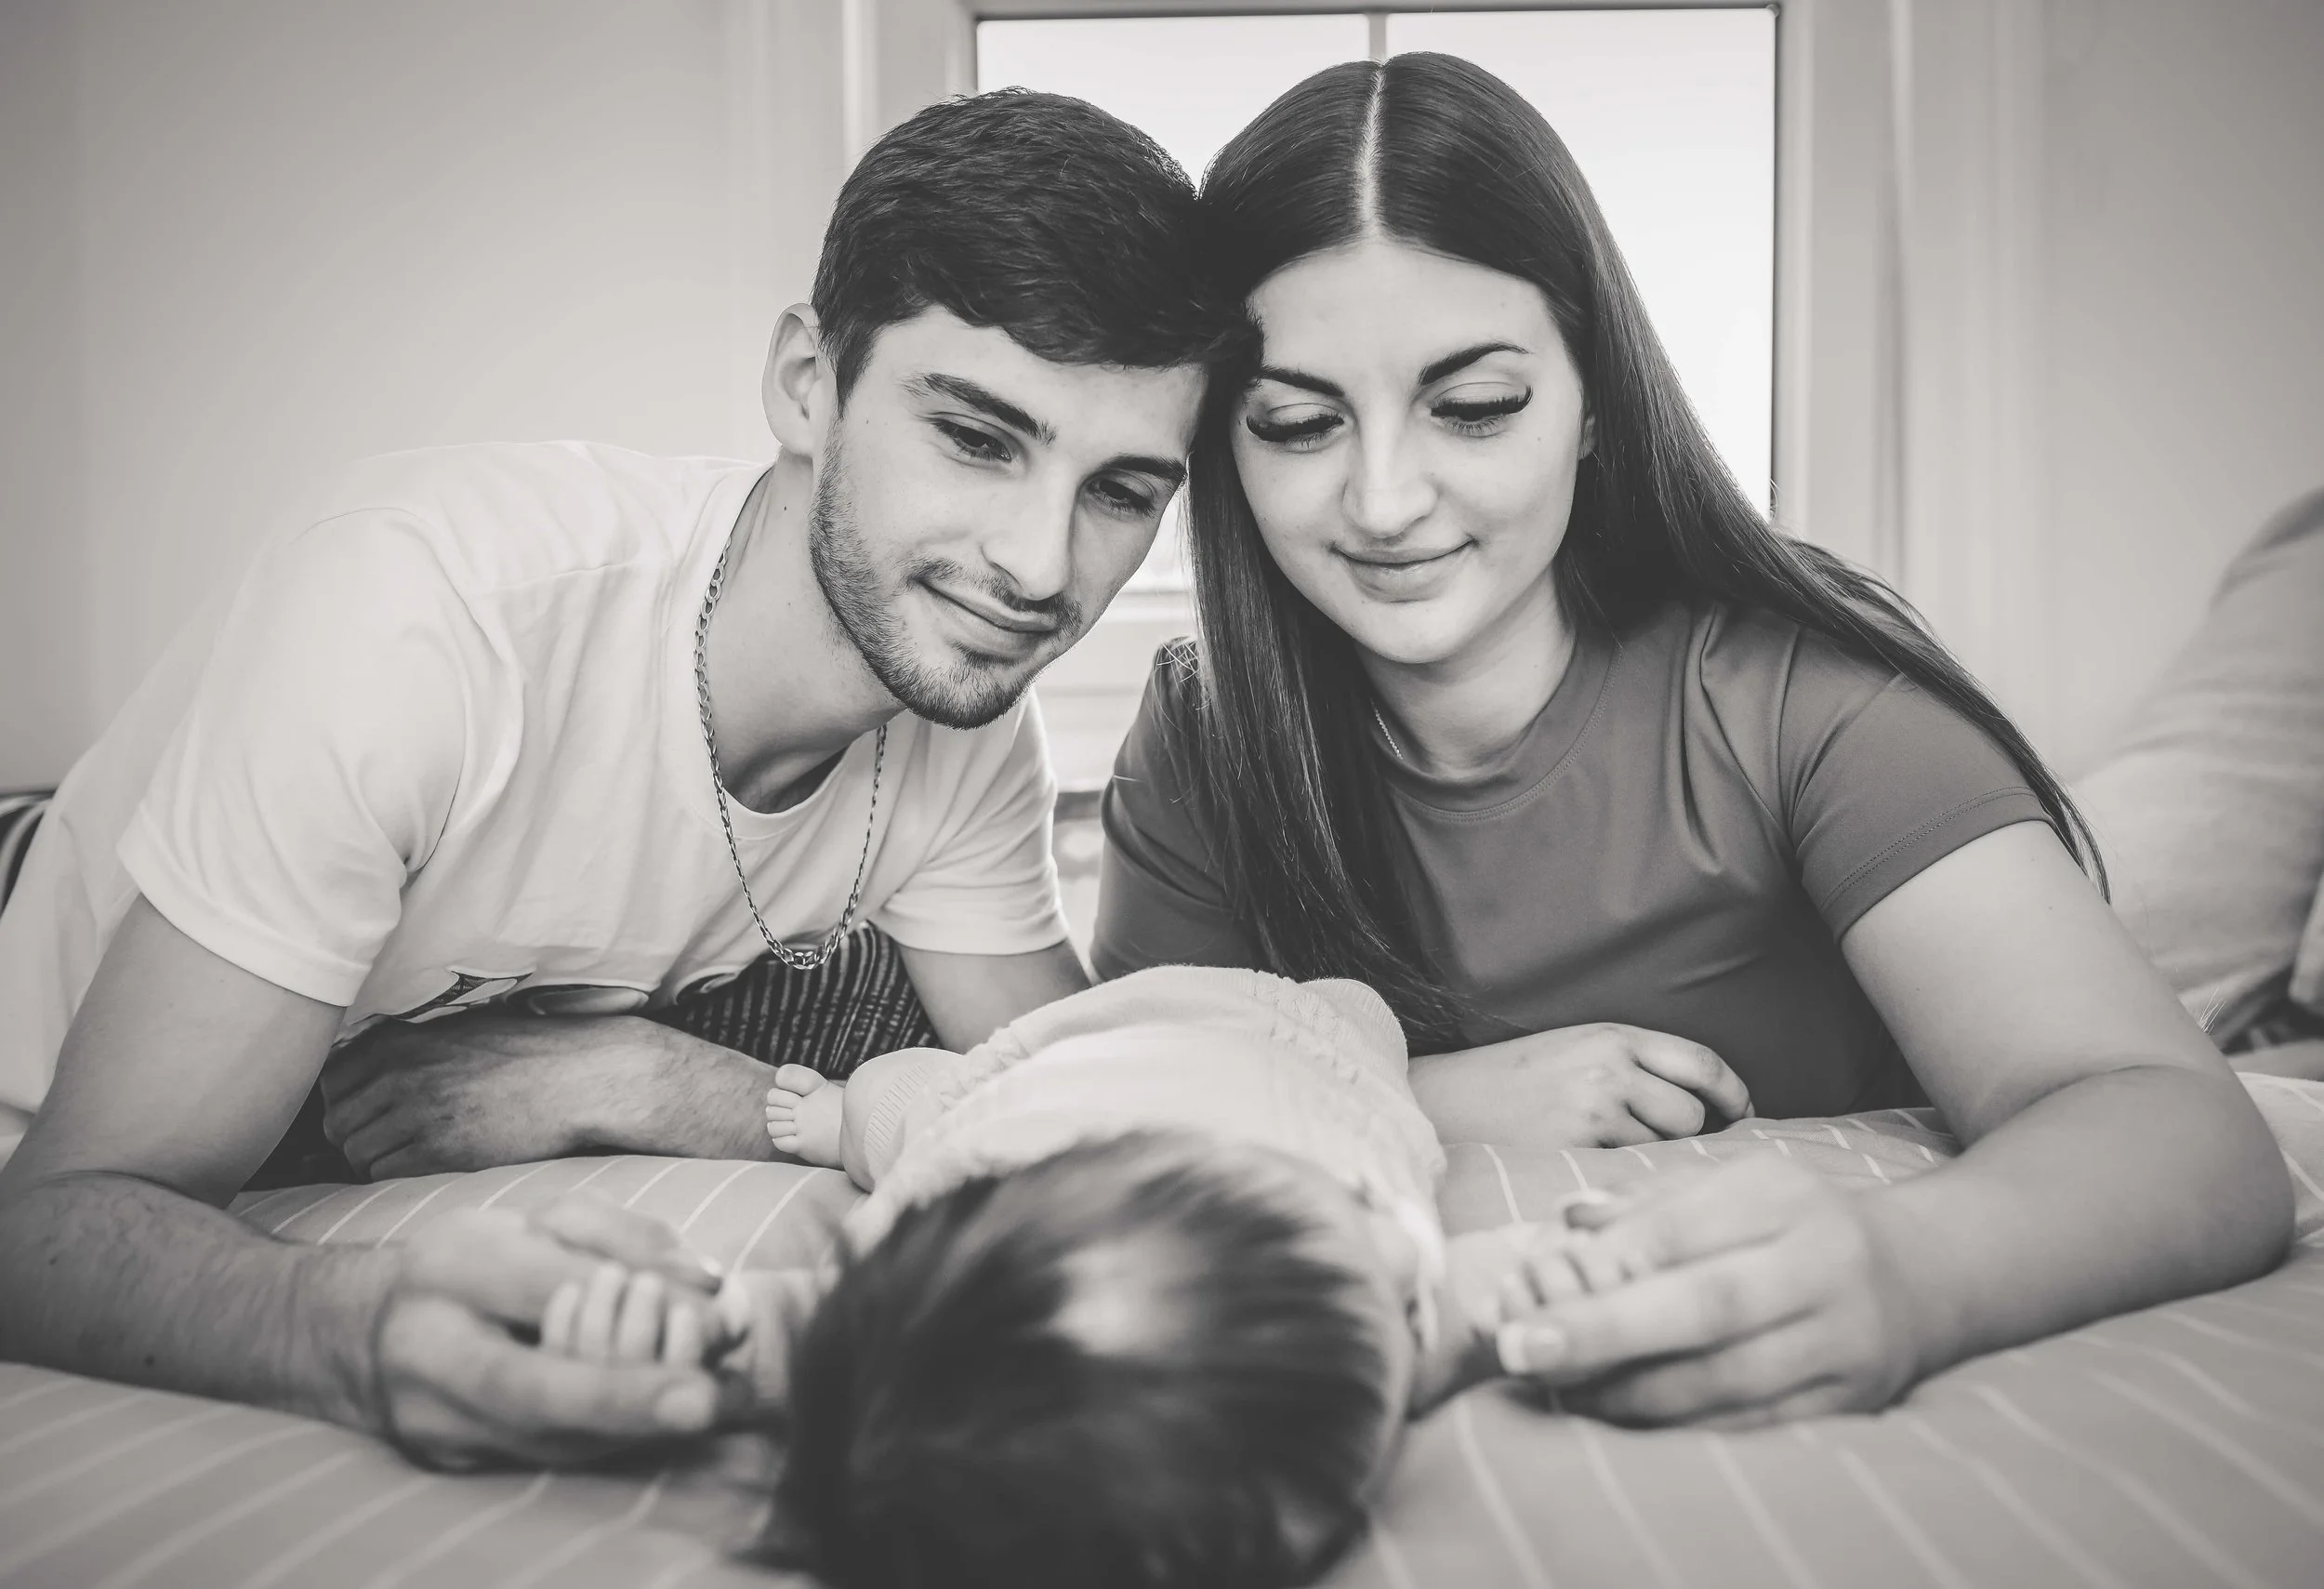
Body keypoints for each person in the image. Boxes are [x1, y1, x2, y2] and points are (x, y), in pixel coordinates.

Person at [0, 88, 1235, 1466]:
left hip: (481, 1029)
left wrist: (647, 1081)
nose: (1041, 567)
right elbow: (49, 1221)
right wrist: (361, 1329)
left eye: (1121, 491)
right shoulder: (422, 618)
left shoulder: (969, 728)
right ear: (804, 386)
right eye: (977, 438)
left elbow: (1047, 1103)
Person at [1094, 53, 2293, 1427]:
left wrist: (1906, 1272)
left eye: (1473, 406)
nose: (1383, 497)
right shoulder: (1202, 732)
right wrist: (1431, 1092)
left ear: (1596, 399)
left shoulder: (1798, 686)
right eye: (1298, 423)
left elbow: (2187, 1127)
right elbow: (1113, 1101)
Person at [542, 966, 1630, 1589]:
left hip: (1020, 1095)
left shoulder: (893, 1295)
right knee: (1358, 1008)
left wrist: (681, 1332)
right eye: (1402, 1312)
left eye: (1355, 1224)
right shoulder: (1340, 1367)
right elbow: (1496, 1294)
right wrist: (1575, 1273)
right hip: (1308, 1053)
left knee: (904, 1105)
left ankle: (837, 1113)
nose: (1408, 1253)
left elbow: (763, 1328)